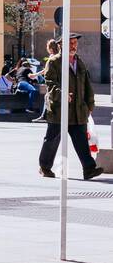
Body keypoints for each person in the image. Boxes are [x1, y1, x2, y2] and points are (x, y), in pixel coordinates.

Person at [40, 34, 103, 181]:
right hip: (59, 110)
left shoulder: (79, 61)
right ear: (61, 45)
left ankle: (89, 169)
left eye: (75, 43)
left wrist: (90, 104)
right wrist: (61, 94)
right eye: (71, 43)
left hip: (78, 110)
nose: (74, 46)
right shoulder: (54, 62)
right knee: (52, 140)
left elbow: (87, 84)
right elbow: (50, 82)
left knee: (81, 141)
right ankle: (44, 167)